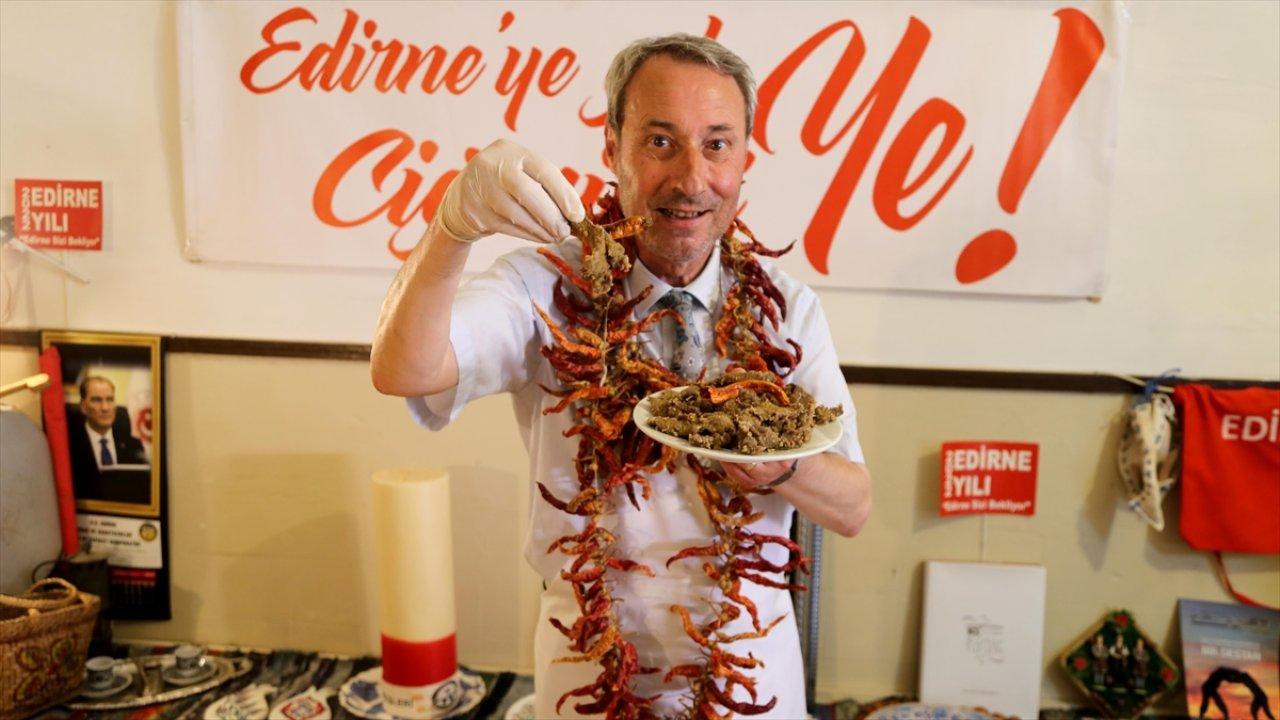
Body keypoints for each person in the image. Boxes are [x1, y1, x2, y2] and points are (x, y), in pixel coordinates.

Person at [372, 33, 872, 719]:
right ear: (612, 149)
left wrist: (779, 467)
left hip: (752, 682)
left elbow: (853, 506)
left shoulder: (786, 308)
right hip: (586, 669)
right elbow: (404, 369)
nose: (692, 178)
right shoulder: (546, 285)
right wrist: (451, 229)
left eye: (717, 145)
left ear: (745, 160)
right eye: (661, 142)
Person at [69, 376, 149, 502]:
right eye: (96, 400)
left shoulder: (132, 443)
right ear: (83, 407)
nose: (105, 408)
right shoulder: (71, 446)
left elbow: (141, 486)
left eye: (110, 399)